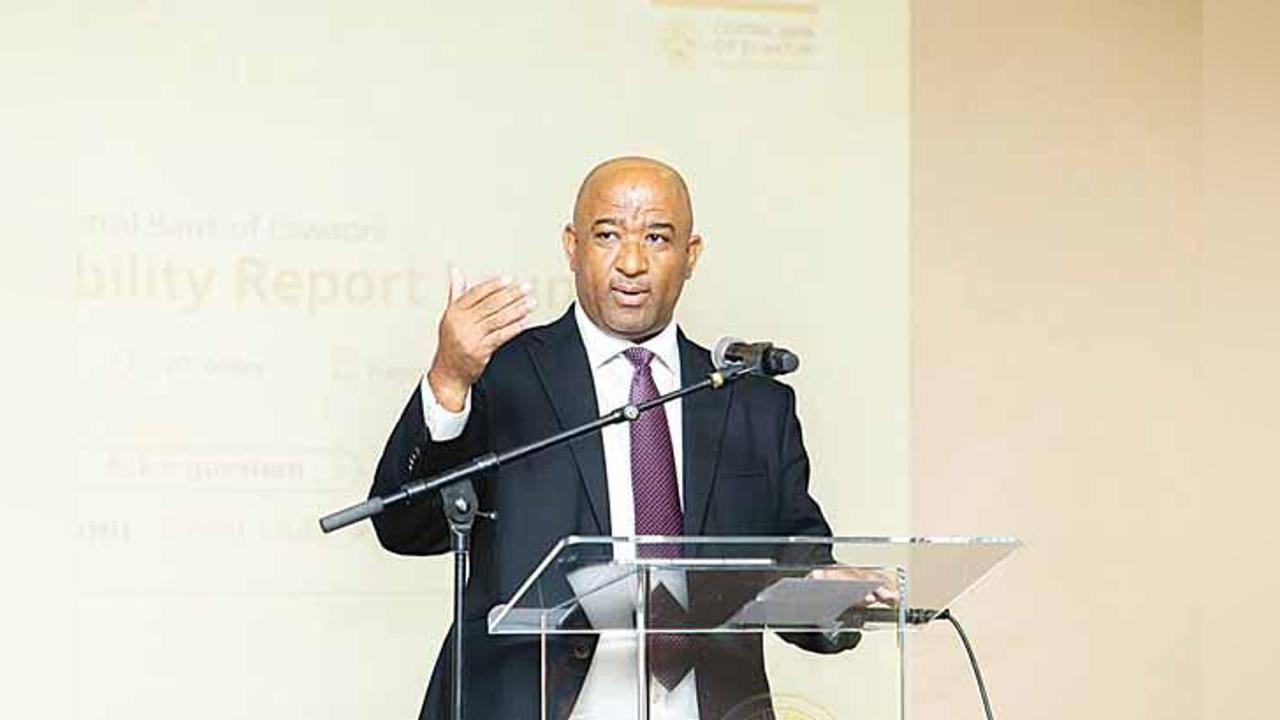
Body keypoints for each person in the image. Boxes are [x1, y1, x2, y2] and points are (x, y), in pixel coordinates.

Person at [369, 156, 860, 720]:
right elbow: (404, 526)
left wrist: (838, 594)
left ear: (691, 255)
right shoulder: (503, 376)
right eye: (608, 235)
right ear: (572, 247)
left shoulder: (752, 403)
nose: (631, 263)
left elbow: (798, 561)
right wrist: (450, 379)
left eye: (657, 238)